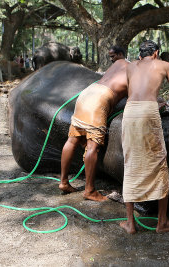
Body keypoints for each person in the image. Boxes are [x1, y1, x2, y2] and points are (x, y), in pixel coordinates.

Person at [120, 40, 169, 234]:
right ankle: (162, 222)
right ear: (156, 53)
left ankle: (130, 223)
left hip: (129, 112)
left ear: (140, 55)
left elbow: (133, 92)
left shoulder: (130, 66)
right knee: (159, 162)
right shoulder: (164, 65)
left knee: (130, 162)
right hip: (148, 112)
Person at [59, 47, 128, 202]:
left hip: (87, 93)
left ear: (119, 55)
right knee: (93, 147)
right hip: (100, 99)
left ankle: (63, 182)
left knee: (72, 140)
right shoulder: (134, 69)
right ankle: (89, 190)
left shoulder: (115, 65)